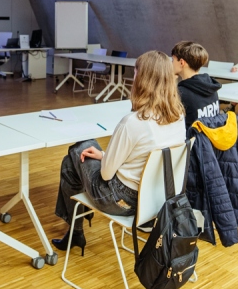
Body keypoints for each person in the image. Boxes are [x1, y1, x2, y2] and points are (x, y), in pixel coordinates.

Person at [52, 50, 187, 255]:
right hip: (156, 199)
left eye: (135, 73)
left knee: (77, 149)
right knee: (79, 157)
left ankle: (75, 231)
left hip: (120, 200)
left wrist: (105, 158)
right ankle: (75, 231)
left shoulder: (133, 122)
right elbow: (145, 159)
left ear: (143, 79)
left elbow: (106, 175)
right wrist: (104, 156)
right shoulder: (178, 116)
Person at [171, 41, 221, 127]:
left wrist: (169, 82)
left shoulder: (181, 93)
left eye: (173, 60)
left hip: (191, 139)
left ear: (182, 62)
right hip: (211, 138)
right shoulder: (211, 87)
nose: (171, 64)